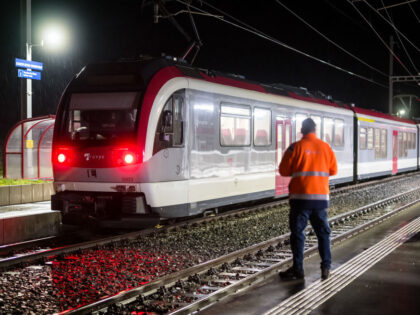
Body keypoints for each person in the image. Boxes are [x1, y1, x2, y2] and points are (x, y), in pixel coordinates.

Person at [279, 118, 337, 280]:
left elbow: (283, 171)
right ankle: (326, 267)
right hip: (320, 200)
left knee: (298, 233)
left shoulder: (294, 148)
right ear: (314, 130)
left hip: (300, 199)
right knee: (323, 233)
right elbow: (333, 170)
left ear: (302, 131)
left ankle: (298, 269)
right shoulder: (326, 148)